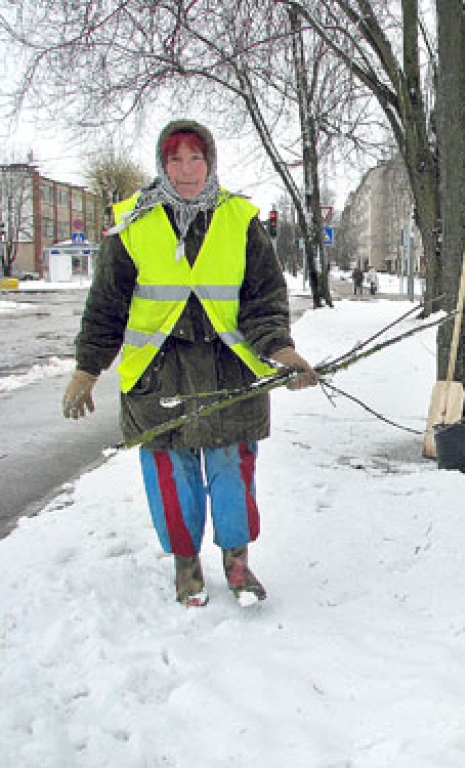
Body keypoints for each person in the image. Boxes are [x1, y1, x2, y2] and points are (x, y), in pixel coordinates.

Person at [61, 119, 318, 608]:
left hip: (230, 370)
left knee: (231, 468)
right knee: (171, 473)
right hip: (159, 374)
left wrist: (280, 350)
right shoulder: (131, 224)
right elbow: (106, 307)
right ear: (162, 164)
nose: (186, 169)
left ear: (211, 162)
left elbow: (263, 298)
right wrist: (86, 368)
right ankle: (186, 565)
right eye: (175, 159)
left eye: (195, 158)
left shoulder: (240, 218)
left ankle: (237, 562)